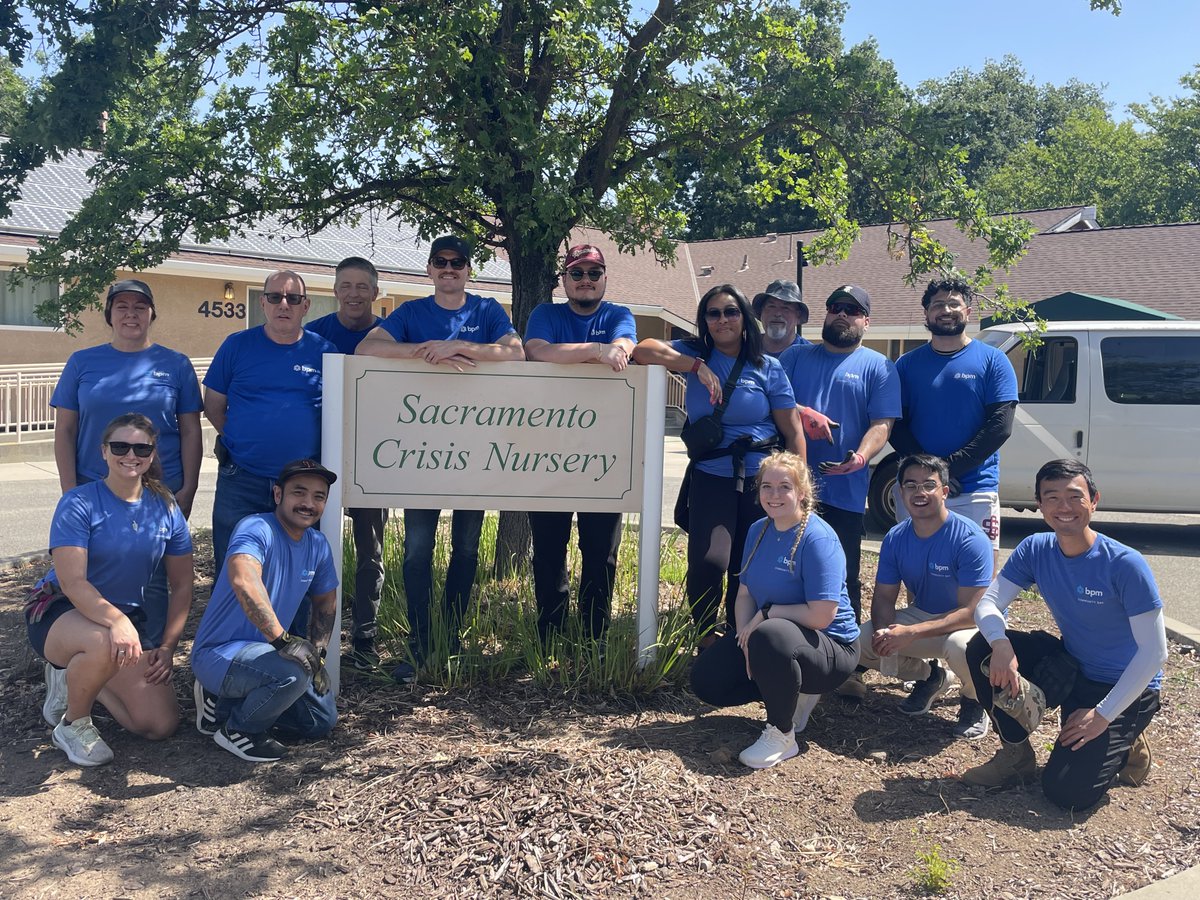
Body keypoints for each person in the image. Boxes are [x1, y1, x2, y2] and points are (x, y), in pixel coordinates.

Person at [357, 235, 524, 680]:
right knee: (416, 552)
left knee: (466, 550)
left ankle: (450, 641)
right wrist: (423, 349)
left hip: (475, 454)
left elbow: (515, 352)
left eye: (457, 262)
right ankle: (418, 644)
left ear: (468, 269)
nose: (449, 269)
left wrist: (459, 347)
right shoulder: (412, 313)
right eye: (441, 262)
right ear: (430, 269)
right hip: (423, 456)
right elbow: (367, 348)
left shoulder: (486, 310)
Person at [962, 459, 1168, 811]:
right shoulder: (1035, 549)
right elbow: (988, 604)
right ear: (1039, 505)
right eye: (1052, 497)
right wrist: (1000, 644)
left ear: (1094, 500)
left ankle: (1128, 738)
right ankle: (1016, 756)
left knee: (1067, 794)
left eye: (1075, 496)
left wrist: (1103, 715)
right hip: (1072, 666)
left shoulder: (1124, 564)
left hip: (1125, 685)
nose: (1064, 507)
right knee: (981, 648)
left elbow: (1155, 653)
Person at [632, 285, 803, 644]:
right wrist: (696, 367)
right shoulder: (694, 353)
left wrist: (800, 489)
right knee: (710, 561)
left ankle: (740, 636)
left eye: (731, 312)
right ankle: (706, 634)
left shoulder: (768, 367)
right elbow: (642, 350)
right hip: (711, 475)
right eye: (713, 313)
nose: (722, 319)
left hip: (763, 480)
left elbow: (792, 430)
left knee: (748, 563)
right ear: (705, 320)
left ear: (745, 318)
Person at [26, 413, 194, 767]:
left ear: (152, 454)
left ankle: (77, 676)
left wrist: (167, 646)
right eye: (120, 447)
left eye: (141, 448)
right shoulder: (79, 502)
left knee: (158, 724)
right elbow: (73, 582)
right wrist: (116, 622)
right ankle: (73, 724)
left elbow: (182, 585)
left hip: (124, 620)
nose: (130, 455)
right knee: (103, 642)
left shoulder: (165, 507)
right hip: (63, 609)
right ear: (104, 452)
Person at [51, 278, 202, 647]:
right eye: (122, 306)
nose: (131, 314)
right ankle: (86, 656)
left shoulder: (176, 365)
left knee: (153, 580)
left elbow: (190, 431)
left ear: (152, 314)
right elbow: (65, 431)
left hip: (157, 491)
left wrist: (188, 488)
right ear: (109, 315)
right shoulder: (82, 363)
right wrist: (70, 491)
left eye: (140, 306)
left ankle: (150, 655)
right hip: (92, 488)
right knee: (89, 576)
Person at [690, 452, 860, 769]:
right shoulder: (758, 529)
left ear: (802, 492)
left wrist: (768, 614)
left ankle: (782, 734)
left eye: (785, 487)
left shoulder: (818, 538)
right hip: (780, 641)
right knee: (707, 680)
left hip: (831, 648)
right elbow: (744, 593)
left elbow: (822, 616)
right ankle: (787, 690)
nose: (774, 495)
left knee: (770, 633)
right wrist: (744, 638)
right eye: (767, 486)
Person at [191, 459, 340, 763]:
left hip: (266, 656)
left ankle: (224, 703)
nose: (308, 503)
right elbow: (243, 579)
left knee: (320, 720)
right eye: (299, 492)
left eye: (319, 496)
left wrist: (319, 654)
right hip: (220, 652)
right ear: (278, 494)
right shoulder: (257, 528)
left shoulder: (318, 544)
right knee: (291, 674)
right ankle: (238, 729)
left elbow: (326, 601)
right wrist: (284, 642)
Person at [524, 244, 637, 642]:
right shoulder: (546, 315)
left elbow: (624, 350)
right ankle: (550, 633)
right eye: (577, 273)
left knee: (600, 552)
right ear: (564, 280)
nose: (585, 280)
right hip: (548, 452)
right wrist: (595, 351)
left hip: (604, 455)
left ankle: (594, 636)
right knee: (548, 550)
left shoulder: (619, 315)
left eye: (593, 273)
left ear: (604, 278)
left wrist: (587, 354)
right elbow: (538, 352)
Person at [779, 285, 899, 628]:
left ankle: (846, 650)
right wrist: (804, 413)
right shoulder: (795, 358)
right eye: (835, 308)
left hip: (844, 493)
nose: (842, 314)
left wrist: (860, 457)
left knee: (841, 576)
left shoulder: (879, 367)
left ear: (866, 321)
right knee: (787, 571)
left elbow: (882, 425)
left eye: (852, 310)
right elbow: (770, 401)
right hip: (789, 489)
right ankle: (786, 643)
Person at [204, 270, 337, 574]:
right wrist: (244, 441)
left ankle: (291, 612)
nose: (284, 304)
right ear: (263, 303)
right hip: (242, 477)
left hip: (302, 483)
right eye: (275, 297)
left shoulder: (325, 352)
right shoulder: (236, 345)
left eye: (293, 298)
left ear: (306, 306)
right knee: (234, 569)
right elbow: (213, 404)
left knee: (297, 571)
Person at [856, 455, 993, 739]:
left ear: (945, 492)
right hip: (924, 617)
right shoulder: (896, 537)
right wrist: (884, 632)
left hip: (973, 625)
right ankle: (930, 676)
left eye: (929, 485)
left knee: (960, 646)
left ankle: (974, 699)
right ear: (900, 492)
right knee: (861, 641)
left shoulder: (970, 539)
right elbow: (883, 598)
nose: (920, 493)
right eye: (911, 485)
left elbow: (972, 612)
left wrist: (912, 633)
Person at [891, 276, 1018, 568]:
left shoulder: (994, 361)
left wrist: (948, 470)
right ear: (926, 314)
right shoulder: (906, 365)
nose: (945, 310)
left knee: (979, 575)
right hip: (918, 489)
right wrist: (932, 475)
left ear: (968, 312)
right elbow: (895, 425)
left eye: (953, 304)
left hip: (975, 489)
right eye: (937, 305)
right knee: (917, 571)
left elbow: (1000, 426)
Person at [306, 256, 388, 668]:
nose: (354, 294)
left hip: (373, 459)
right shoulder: (313, 335)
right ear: (335, 290)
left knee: (370, 551)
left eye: (362, 286)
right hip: (318, 458)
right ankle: (312, 641)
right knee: (311, 548)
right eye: (346, 286)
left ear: (375, 292)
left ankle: (364, 640)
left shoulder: (390, 335)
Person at [752, 279, 809, 358]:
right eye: (771, 306)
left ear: (798, 316)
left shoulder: (809, 356)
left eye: (786, 308)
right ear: (761, 312)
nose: (777, 313)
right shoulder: (743, 350)